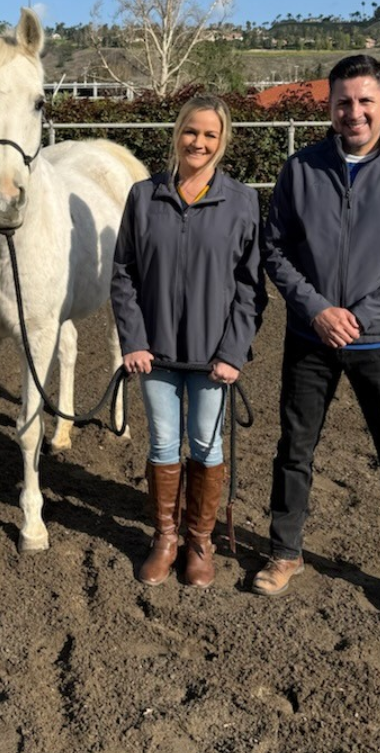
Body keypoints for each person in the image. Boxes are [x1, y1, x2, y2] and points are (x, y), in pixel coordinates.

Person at [254, 54, 380, 629]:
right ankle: (285, 551)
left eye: (366, 101)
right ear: (330, 105)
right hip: (311, 337)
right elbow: (276, 250)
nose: (355, 112)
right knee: (294, 449)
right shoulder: (300, 169)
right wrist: (317, 310)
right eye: (344, 101)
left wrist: (359, 317)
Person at [111, 95, 267, 588]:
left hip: (211, 358)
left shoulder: (242, 201)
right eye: (191, 132)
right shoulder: (143, 196)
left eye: (210, 135)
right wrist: (132, 340)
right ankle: (165, 537)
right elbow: (123, 274)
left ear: (222, 143)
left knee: (205, 444)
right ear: (177, 134)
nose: (198, 142)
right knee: (162, 443)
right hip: (153, 353)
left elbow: (251, 286)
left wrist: (233, 352)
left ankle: (200, 540)